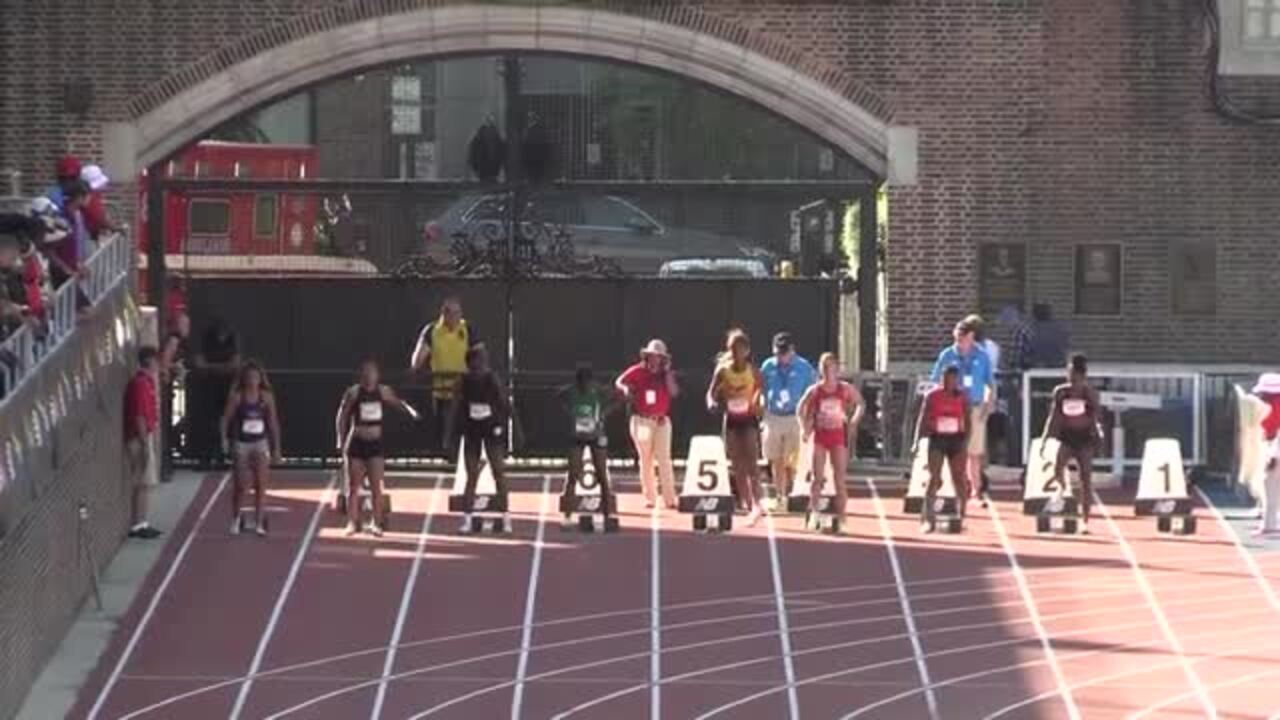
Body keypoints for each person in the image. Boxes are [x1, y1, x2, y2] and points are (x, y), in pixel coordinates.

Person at [335, 358, 420, 537]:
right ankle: (352, 522)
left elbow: (398, 402)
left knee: (376, 486)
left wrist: (410, 411)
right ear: (361, 375)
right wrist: (340, 440)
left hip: (375, 443)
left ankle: (376, 522)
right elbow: (342, 417)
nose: (368, 376)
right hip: (357, 441)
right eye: (365, 373)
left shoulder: (383, 391)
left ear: (377, 375)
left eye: (372, 373)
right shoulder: (353, 393)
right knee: (353, 486)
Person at [446, 345, 511, 534]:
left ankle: (506, 519)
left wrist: (510, 428)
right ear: (470, 362)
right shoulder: (462, 381)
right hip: (472, 431)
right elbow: (455, 407)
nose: (483, 364)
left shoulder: (492, 379)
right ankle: (467, 520)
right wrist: (450, 435)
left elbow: (504, 403)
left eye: (484, 360)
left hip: (491, 430)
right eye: (479, 360)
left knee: (498, 471)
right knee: (471, 475)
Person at [930, 316, 994, 506]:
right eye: (956, 338)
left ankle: (977, 490)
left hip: (974, 406)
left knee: (975, 452)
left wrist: (988, 405)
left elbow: (990, 383)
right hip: (952, 407)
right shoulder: (947, 355)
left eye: (961, 337)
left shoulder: (982, 356)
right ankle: (952, 487)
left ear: (971, 336)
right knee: (953, 449)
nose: (958, 341)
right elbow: (935, 381)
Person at [797, 353, 864, 532]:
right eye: (825, 368)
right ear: (821, 370)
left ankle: (842, 518)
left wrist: (853, 422)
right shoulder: (815, 390)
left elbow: (860, 404)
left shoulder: (845, 388)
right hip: (820, 436)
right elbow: (800, 408)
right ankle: (814, 514)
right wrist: (804, 427)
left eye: (831, 367)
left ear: (837, 369)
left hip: (837, 436)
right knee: (817, 478)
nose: (828, 371)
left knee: (839, 479)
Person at [706, 329, 766, 525]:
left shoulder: (753, 371)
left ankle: (757, 503)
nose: (736, 353)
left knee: (752, 462)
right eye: (733, 349)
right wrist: (711, 402)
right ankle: (748, 503)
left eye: (740, 349)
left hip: (748, 419)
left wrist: (758, 402)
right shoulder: (723, 370)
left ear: (747, 351)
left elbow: (760, 389)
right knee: (737, 464)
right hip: (731, 419)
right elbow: (711, 392)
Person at [1039, 353, 1103, 533]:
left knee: (1086, 479)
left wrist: (1099, 436)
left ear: (1083, 376)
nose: (1072, 379)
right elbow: (1054, 417)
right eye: (1069, 374)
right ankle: (1063, 488)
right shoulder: (1061, 392)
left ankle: (1085, 520)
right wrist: (1045, 437)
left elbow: (1096, 417)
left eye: (1075, 375)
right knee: (1057, 468)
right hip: (1066, 436)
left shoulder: (1090, 393)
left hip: (1084, 438)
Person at [616, 339, 680, 510]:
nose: (655, 359)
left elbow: (674, 392)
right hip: (642, 419)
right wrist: (626, 390)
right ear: (647, 356)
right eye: (653, 356)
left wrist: (666, 374)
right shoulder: (638, 371)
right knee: (646, 459)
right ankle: (650, 497)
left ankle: (670, 498)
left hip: (661, 420)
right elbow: (619, 381)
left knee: (664, 459)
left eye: (659, 357)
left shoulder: (666, 374)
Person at [411, 297, 482, 451]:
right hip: (442, 391)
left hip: (464, 390)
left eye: (459, 312)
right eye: (453, 313)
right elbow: (417, 361)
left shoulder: (467, 328)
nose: (457, 317)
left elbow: (480, 355)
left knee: (465, 429)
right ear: (444, 313)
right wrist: (420, 369)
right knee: (445, 431)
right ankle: (447, 456)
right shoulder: (432, 330)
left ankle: (461, 458)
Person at [220, 361, 282, 536]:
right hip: (242, 443)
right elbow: (225, 419)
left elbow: (273, 422)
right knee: (241, 485)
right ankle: (236, 517)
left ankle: (259, 521)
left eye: (256, 377)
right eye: (249, 378)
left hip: (260, 443)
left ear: (260, 379)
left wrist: (277, 447)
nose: (253, 381)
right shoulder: (238, 397)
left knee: (261, 484)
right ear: (244, 379)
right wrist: (224, 440)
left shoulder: (266, 397)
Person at [557, 363, 618, 526]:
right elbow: (558, 395)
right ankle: (567, 517)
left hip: (596, 436)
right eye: (581, 383)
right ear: (577, 382)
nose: (585, 385)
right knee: (573, 475)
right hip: (577, 437)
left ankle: (607, 516)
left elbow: (618, 396)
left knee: (602, 475)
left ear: (591, 381)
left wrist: (604, 414)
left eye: (587, 382)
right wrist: (569, 413)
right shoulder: (571, 391)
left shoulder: (598, 391)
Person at [913, 365, 970, 532]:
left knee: (959, 478)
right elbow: (922, 419)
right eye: (945, 379)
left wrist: (966, 440)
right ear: (941, 379)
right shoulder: (932, 396)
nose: (948, 382)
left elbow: (968, 420)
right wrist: (917, 441)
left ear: (956, 380)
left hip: (956, 440)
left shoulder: (962, 397)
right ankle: (928, 519)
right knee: (935, 478)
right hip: (938, 439)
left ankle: (962, 515)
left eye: (952, 379)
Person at [760, 332, 816, 499]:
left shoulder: (804, 368)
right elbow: (762, 388)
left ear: (792, 350)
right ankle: (779, 493)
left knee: (791, 459)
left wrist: (808, 418)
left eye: (784, 352)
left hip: (794, 416)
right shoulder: (768, 366)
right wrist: (763, 405)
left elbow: (812, 393)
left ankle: (791, 491)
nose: (780, 356)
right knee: (775, 457)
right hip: (773, 415)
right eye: (777, 352)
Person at [123, 347, 163, 539]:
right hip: (139, 438)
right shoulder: (140, 384)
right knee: (142, 481)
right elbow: (139, 415)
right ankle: (138, 523)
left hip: (143, 436)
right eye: (156, 361)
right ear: (150, 361)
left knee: (144, 482)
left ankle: (141, 521)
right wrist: (145, 443)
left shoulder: (146, 383)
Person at [197, 318, 241, 466]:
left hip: (227, 387)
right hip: (208, 388)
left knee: (228, 421)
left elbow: (234, 365)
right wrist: (222, 367)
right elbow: (199, 364)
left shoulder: (233, 343)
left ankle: (225, 454)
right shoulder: (206, 343)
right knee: (209, 422)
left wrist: (211, 367)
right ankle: (207, 456)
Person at [1251, 373, 1280, 536]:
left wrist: (1272, 456)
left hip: (1276, 446)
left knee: (1269, 486)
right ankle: (1271, 522)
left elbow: (1272, 430)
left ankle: (1269, 525)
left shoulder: (1273, 406)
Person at [80, 164, 121, 242]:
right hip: (88, 237)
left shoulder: (92, 195)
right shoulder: (91, 196)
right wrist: (114, 228)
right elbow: (100, 216)